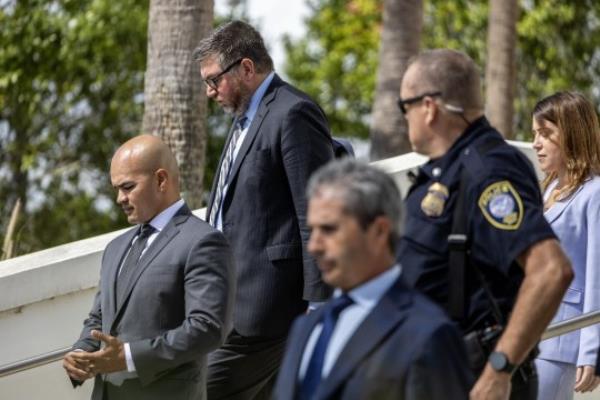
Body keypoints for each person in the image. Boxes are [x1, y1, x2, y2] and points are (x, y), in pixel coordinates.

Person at [396, 49, 573, 400]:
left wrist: (499, 369)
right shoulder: (450, 167)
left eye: (405, 108)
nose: (404, 119)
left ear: (429, 107)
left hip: (471, 376)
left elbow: (550, 270)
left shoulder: (487, 169)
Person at [193, 20, 334, 399]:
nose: (210, 92)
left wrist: (318, 306)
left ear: (246, 68)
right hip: (230, 306)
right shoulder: (244, 119)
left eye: (213, 81)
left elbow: (318, 215)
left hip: (270, 312)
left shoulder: (293, 113)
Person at [273, 159, 473, 400]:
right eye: (312, 230)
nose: (314, 246)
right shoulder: (304, 328)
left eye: (329, 230)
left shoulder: (428, 334)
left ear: (379, 231)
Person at [62, 135, 235, 400]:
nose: (120, 198)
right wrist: (82, 352)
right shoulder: (115, 248)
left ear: (161, 180)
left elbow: (207, 328)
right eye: (117, 189)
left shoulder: (202, 241)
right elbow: (100, 317)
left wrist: (129, 356)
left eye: (128, 187)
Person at [531, 91, 600, 399]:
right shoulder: (548, 192)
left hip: (561, 341)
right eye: (534, 134)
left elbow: (597, 275)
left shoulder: (594, 192)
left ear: (572, 134)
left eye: (545, 134)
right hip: (530, 335)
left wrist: (591, 350)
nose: (536, 143)